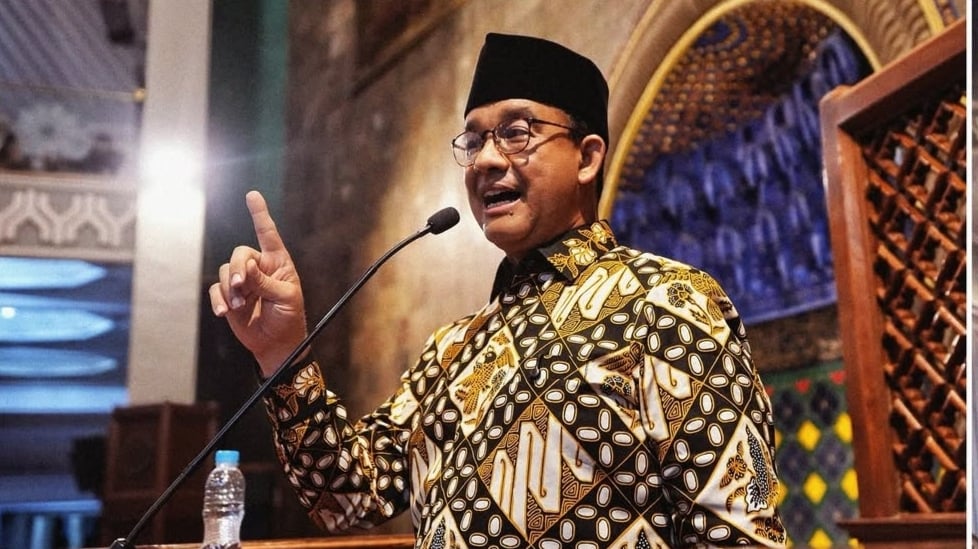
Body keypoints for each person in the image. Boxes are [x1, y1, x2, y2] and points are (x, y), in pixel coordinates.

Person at [210, 33, 787, 548]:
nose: (485, 160)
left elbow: (737, 533)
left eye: (516, 132)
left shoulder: (667, 304)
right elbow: (348, 498)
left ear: (587, 157)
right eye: (473, 140)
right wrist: (283, 355)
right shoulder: (453, 349)